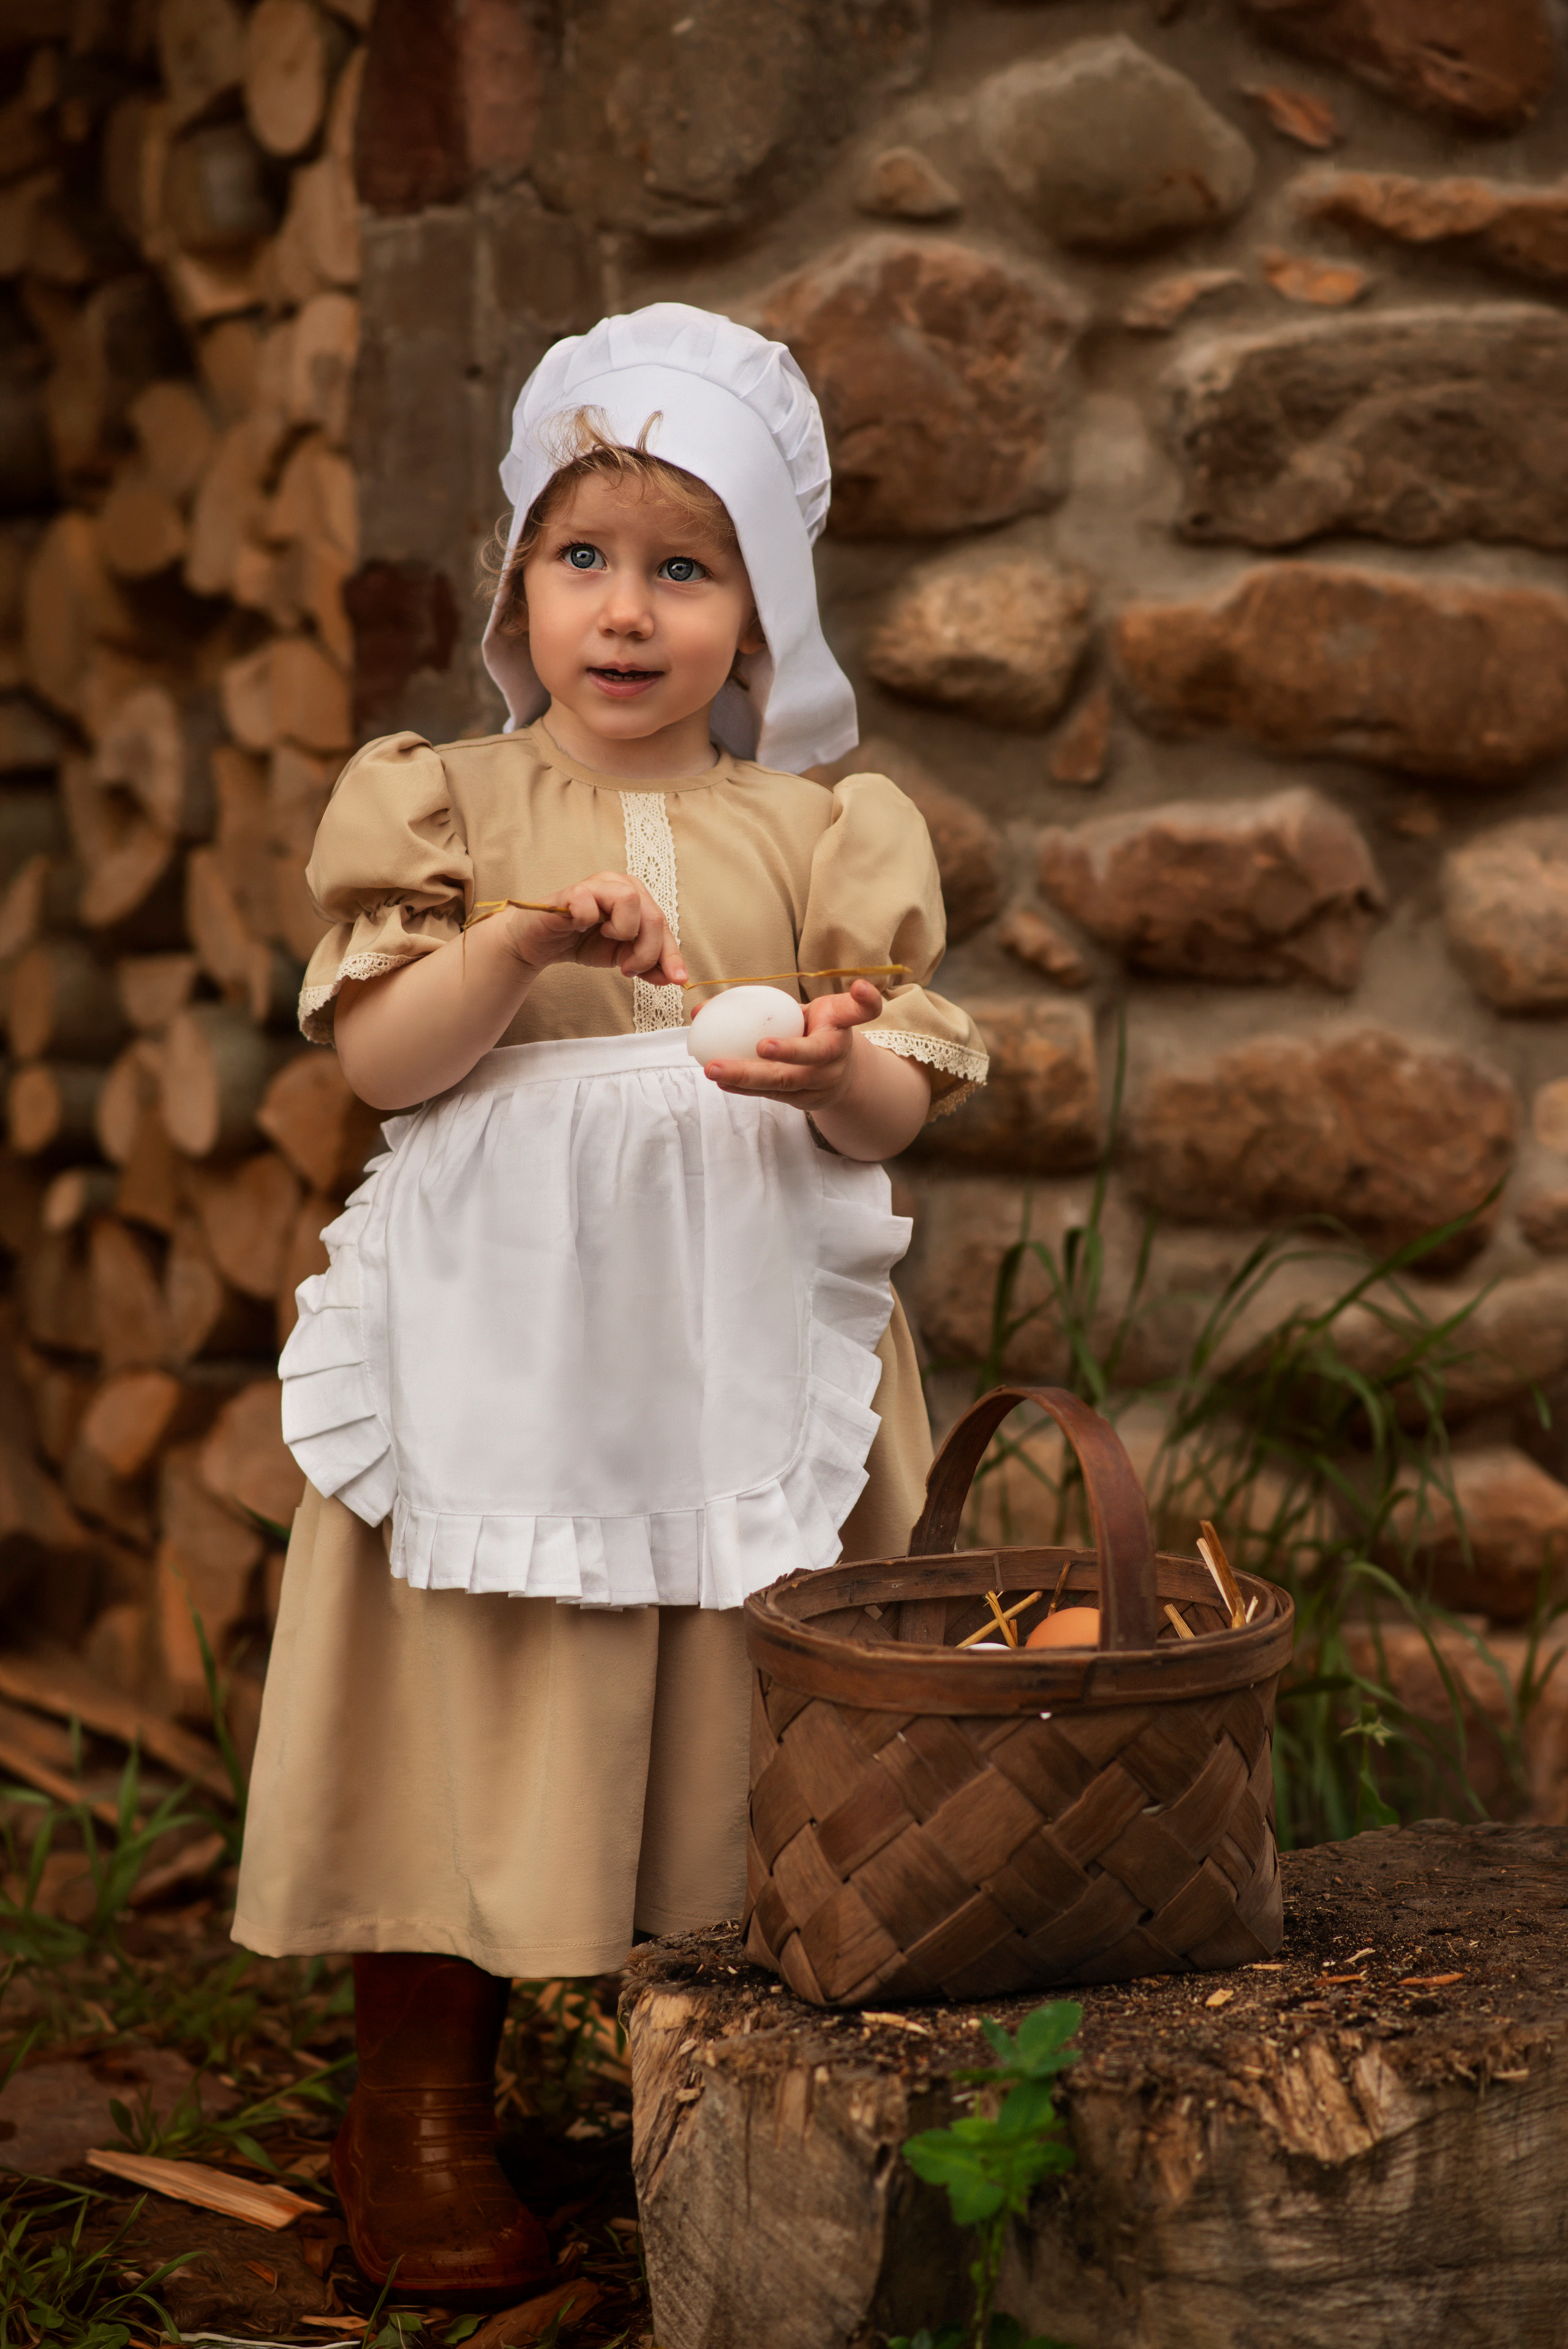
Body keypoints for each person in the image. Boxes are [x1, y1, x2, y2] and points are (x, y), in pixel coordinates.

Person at [233, 304, 988, 2303]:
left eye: (687, 567)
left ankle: (748, 2088)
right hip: (506, 1338)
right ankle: (422, 2091)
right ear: (519, 587)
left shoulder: (818, 830)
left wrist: (833, 1067)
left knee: (761, 1689)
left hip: (745, 1330)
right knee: (478, 1683)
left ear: (762, 614)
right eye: (584, 556)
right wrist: (515, 944)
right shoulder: (452, 804)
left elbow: (901, 1099)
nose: (629, 609)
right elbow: (382, 1060)